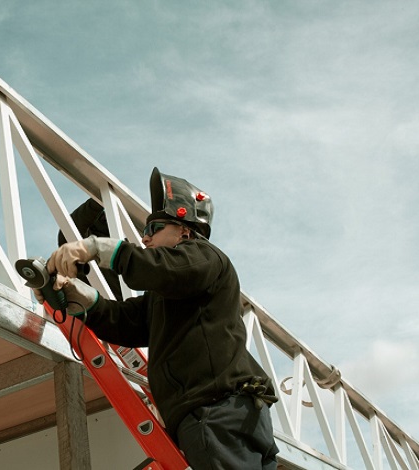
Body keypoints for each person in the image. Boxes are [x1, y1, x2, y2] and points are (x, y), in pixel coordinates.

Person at [40, 168, 279, 469]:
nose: (145, 237)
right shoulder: (168, 295)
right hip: (226, 414)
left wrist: (97, 248)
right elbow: (128, 321)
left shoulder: (205, 257)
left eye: (154, 228)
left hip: (216, 411)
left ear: (184, 232)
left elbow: (159, 268)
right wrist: (86, 302)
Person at [57, 198, 123, 300]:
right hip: (89, 306)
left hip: (113, 308)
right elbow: (70, 229)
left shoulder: (122, 247)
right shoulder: (84, 241)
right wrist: (101, 197)